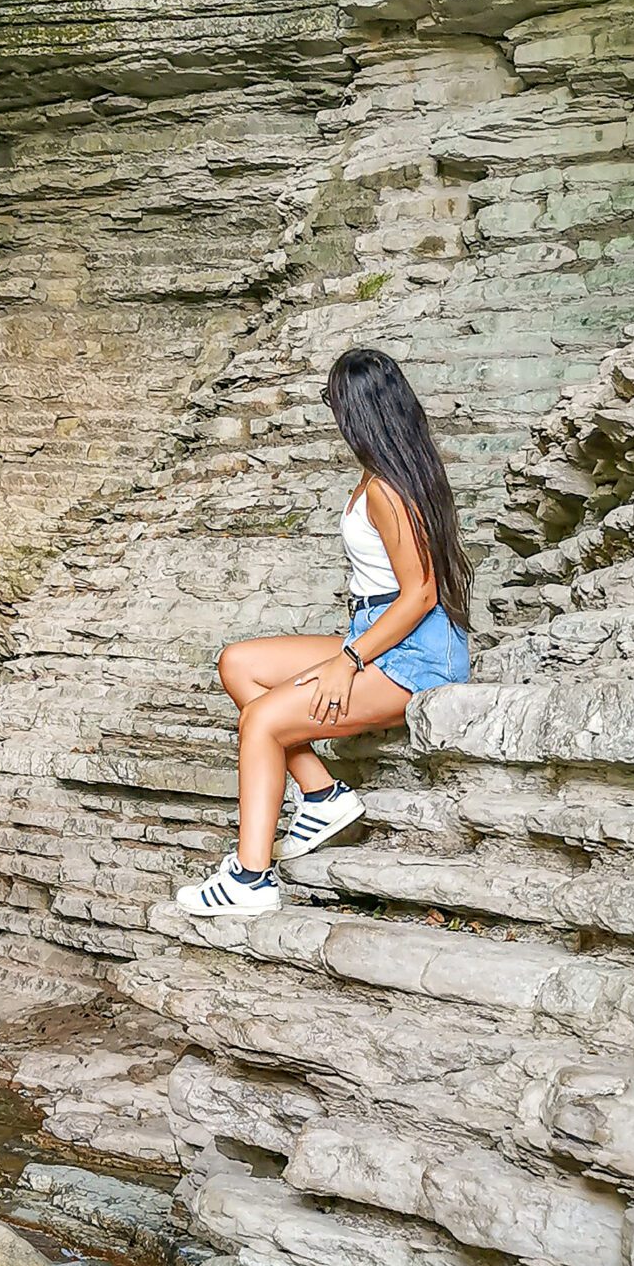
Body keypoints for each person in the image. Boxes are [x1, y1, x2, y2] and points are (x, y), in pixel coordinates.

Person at [175, 347, 472, 918]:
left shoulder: (389, 489)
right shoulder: (384, 472)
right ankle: (321, 794)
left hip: (416, 655)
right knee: (239, 663)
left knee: (261, 722)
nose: (330, 411)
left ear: (358, 411)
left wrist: (349, 661)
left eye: (332, 400)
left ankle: (252, 879)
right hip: (379, 630)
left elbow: (422, 594)